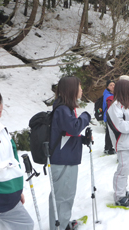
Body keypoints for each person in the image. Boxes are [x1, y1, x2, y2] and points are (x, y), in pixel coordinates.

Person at [49, 76, 92, 230]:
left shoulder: (66, 109)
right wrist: (86, 116)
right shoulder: (62, 109)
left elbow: (67, 134)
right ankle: (59, 226)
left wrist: (82, 140)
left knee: (66, 195)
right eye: (79, 86)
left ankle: (63, 222)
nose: (81, 90)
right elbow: (74, 128)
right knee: (62, 197)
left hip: (66, 158)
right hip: (62, 161)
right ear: (72, 89)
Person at [0, 85, 34, 230]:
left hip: (10, 195)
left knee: (26, 224)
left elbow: (13, 160)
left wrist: (18, 190)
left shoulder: (2, 130)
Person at [106, 80, 129, 207]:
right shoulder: (115, 107)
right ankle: (119, 196)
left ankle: (122, 190)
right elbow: (121, 126)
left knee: (126, 169)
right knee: (122, 169)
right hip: (122, 143)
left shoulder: (128, 105)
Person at [103, 79, 115, 154]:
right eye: (111, 85)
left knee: (110, 131)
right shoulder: (107, 95)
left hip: (111, 115)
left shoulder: (112, 94)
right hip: (108, 115)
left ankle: (109, 147)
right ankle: (107, 148)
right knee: (109, 131)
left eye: (114, 85)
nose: (113, 86)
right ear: (107, 86)